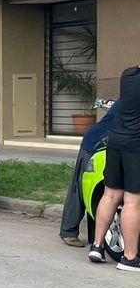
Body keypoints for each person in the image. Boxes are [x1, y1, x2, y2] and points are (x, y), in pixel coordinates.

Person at [92, 66, 140, 270]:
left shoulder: (128, 75)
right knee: (132, 200)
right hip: (136, 145)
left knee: (110, 194)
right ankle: (130, 257)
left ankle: (97, 245)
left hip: (116, 141)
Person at [59, 103, 117, 246]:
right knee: (81, 187)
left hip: (110, 142)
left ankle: (94, 236)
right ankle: (69, 231)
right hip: (96, 142)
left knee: (97, 189)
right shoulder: (133, 94)